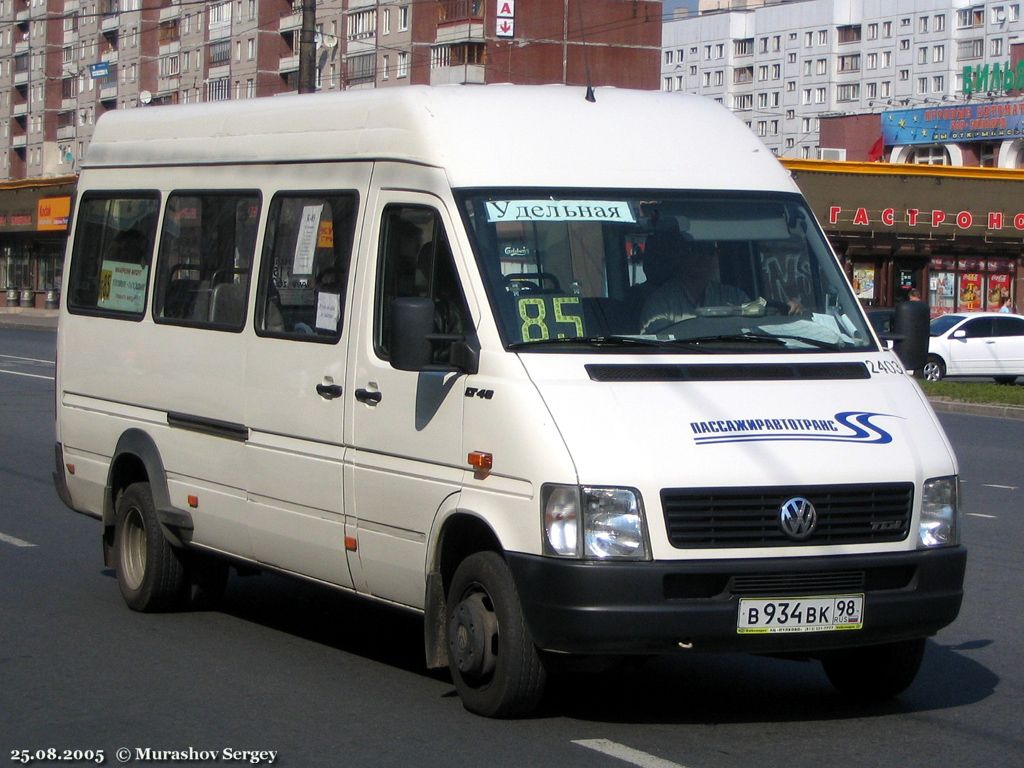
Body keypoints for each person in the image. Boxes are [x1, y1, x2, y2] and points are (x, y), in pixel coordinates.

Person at [638, 235, 749, 333]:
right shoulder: (660, 304)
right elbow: (660, 348)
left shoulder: (735, 298)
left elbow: (754, 333)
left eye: (710, 251)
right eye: (697, 249)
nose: (704, 257)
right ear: (681, 255)